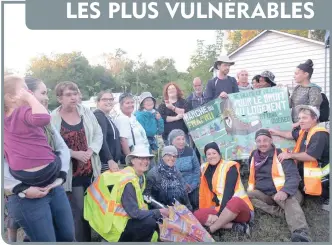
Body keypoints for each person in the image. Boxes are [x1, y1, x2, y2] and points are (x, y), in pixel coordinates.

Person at [4, 75, 74, 242]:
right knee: (45, 239)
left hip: (53, 185)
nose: (46, 97)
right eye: (42, 93)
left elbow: (61, 148)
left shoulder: (40, 118)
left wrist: (60, 176)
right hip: (25, 193)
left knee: (67, 236)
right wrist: (20, 188)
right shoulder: (14, 118)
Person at [51, 81, 103, 242]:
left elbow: (98, 134)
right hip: (70, 173)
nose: (73, 98)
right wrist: (74, 153)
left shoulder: (86, 112)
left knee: (94, 207)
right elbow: (51, 145)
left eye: (75, 94)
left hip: (91, 168)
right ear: (59, 98)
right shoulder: (52, 118)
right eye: (68, 95)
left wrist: (90, 150)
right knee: (78, 212)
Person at [84, 145, 169, 242]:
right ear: (132, 161)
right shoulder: (128, 181)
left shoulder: (140, 177)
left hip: (121, 220)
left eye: (147, 158)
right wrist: (159, 212)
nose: (146, 161)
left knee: (153, 220)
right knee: (150, 222)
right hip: (115, 226)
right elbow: (134, 213)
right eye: (141, 158)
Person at [247, 129, 311, 242]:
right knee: (246, 196)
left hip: (286, 192)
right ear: (255, 143)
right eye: (259, 141)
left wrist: (284, 191)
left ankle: (300, 232)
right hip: (266, 193)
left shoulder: (282, 154)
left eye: (265, 140)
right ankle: (286, 212)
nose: (262, 143)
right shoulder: (253, 155)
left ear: (271, 140)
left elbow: (294, 176)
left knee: (289, 199)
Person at [269, 105, 329, 211]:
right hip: (310, 172)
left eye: (304, 118)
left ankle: (325, 196)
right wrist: (275, 132)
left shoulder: (319, 134)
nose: (300, 121)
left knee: (312, 194)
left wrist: (290, 155)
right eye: (299, 118)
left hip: (322, 175)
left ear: (315, 118)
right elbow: (290, 135)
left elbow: (311, 156)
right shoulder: (305, 131)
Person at [196, 142, 254, 235]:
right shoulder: (206, 169)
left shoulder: (230, 167)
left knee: (235, 201)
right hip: (221, 207)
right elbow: (212, 192)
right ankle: (235, 226)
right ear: (206, 156)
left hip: (240, 209)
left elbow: (228, 194)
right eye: (208, 154)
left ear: (219, 154)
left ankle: (210, 230)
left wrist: (218, 215)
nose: (211, 156)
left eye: (214, 153)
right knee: (197, 214)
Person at [144, 145, 193, 211]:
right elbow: (147, 196)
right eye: (169, 155)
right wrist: (164, 209)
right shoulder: (152, 174)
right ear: (163, 156)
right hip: (162, 213)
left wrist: (189, 207)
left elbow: (183, 191)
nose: (172, 158)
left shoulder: (176, 171)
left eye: (174, 156)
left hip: (179, 211)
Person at [169, 129, 200, 211]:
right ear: (172, 141)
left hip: (192, 185)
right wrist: (182, 187)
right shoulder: (168, 154)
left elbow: (197, 170)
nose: (182, 141)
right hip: (176, 187)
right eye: (178, 139)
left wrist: (193, 185)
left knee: (195, 204)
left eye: (183, 139)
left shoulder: (190, 151)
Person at [114, 93, 150, 159]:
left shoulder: (133, 117)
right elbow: (123, 140)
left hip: (143, 153)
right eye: (127, 103)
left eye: (132, 102)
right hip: (135, 157)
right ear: (121, 106)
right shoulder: (122, 119)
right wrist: (130, 159)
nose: (131, 105)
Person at [93, 90, 122, 173]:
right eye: (104, 99)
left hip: (112, 162)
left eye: (111, 99)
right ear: (97, 102)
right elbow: (101, 139)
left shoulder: (107, 117)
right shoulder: (99, 116)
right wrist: (109, 159)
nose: (108, 102)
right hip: (106, 163)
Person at [290, 59, 323, 125]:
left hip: (307, 126)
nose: (294, 76)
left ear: (306, 74)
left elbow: (314, 111)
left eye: (296, 73)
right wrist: (283, 94)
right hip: (295, 125)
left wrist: (299, 123)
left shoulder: (313, 89)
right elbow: (290, 104)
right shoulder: (297, 88)